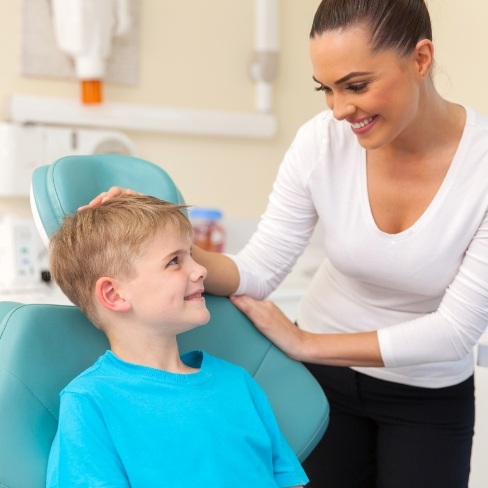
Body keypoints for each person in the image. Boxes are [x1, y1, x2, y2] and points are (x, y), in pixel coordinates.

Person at [84, 1, 488, 486]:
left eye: (357, 86)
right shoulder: (322, 142)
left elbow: (453, 332)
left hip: (425, 391)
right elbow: (258, 268)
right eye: (328, 89)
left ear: (421, 59)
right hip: (320, 386)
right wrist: (159, 234)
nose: (340, 110)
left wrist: (306, 343)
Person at [46, 195, 308, 488]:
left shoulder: (238, 383)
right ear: (114, 295)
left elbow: (289, 481)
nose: (201, 270)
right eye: (174, 261)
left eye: (192, 256)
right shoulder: (89, 402)